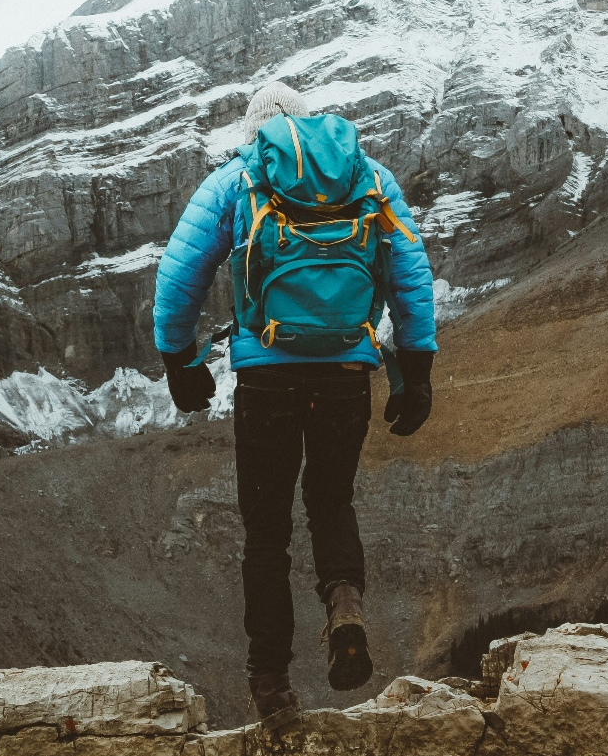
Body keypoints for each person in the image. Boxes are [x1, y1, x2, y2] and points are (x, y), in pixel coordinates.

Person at [153, 82, 436, 733]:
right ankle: (343, 607)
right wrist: (414, 367)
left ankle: (273, 688)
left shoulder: (238, 178)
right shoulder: (368, 175)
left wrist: (180, 361)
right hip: (344, 371)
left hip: (267, 380)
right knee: (331, 501)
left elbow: (177, 274)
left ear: (255, 134)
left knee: (266, 534)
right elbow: (409, 269)